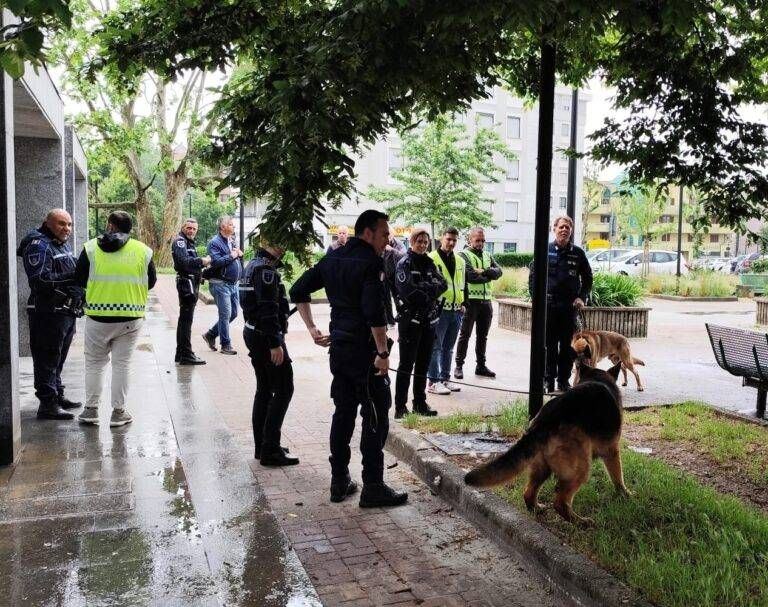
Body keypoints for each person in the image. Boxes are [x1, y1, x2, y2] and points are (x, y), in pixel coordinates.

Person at [290, 209, 408, 508]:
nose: (387, 240)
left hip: (340, 351)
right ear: (367, 232)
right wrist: (382, 353)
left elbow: (297, 289)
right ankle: (373, 486)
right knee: (375, 416)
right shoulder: (371, 263)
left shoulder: (333, 258)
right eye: (384, 234)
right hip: (365, 353)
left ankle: (339, 479)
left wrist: (312, 329)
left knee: (343, 414)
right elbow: (373, 312)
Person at [75, 211, 156, 427]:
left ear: (110, 225)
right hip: (130, 317)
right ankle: (118, 412)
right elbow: (152, 282)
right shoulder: (143, 251)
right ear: (130, 228)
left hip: (98, 316)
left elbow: (79, 278)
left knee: (94, 363)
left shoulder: (90, 248)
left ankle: (91, 410)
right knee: (122, 364)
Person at [17, 209, 83, 420]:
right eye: (61, 224)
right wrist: (74, 276)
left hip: (64, 312)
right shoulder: (39, 245)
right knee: (47, 358)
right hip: (47, 313)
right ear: (47, 223)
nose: (67, 229)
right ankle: (47, 404)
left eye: (69, 224)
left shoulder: (58, 243)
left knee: (58, 358)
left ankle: (57, 395)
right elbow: (40, 280)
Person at [240, 240, 299, 466]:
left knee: (264, 389)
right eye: (277, 240)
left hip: (254, 332)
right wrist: (275, 342)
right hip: (265, 336)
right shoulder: (264, 269)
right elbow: (267, 307)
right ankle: (270, 448)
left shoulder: (253, 264)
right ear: (265, 242)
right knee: (284, 388)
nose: (282, 245)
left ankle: (263, 445)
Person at [528, 215, 593, 393]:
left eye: (568, 228)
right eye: (561, 227)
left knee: (566, 346)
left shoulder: (578, 253)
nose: (564, 230)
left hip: (568, 308)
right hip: (549, 307)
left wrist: (582, 297)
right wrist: (537, 301)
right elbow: (533, 277)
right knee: (549, 345)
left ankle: (563, 381)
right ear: (554, 229)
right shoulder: (544, 250)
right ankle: (548, 380)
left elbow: (587, 278)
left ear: (571, 231)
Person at [393, 229, 446, 418]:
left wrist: (424, 288)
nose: (423, 245)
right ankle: (400, 407)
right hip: (411, 322)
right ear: (412, 242)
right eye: (419, 241)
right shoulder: (404, 263)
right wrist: (429, 289)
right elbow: (408, 291)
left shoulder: (430, 263)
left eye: (425, 242)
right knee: (406, 365)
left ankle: (420, 403)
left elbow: (443, 284)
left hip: (429, 321)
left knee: (423, 364)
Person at [455, 227, 503, 379]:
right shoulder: (463, 255)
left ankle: (481, 366)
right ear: (470, 240)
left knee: (483, 336)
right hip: (471, 302)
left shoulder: (488, 254)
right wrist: (489, 274)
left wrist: (483, 271)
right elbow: (470, 276)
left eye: (483, 240)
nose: (481, 243)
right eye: (477, 240)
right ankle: (458, 366)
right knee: (465, 335)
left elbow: (499, 272)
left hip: (486, 302)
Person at [427, 227, 466, 395]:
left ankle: (445, 379)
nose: (451, 243)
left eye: (454, 240)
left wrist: (464, 304)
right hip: (439, 310)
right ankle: (433, 381)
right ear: (441, 238)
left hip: (456, 310)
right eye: (448, 239)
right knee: (435, 346)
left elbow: (464, 285)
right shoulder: (431, 258)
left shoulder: (460, 261)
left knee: (449, 348)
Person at [202, 216, 243, 355]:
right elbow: (217, 262)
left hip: (233, 284)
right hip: (220, 284)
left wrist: (238, 254)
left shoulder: (231, 240)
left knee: (234, 313)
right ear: (223, 227)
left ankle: (210, 334)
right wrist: (232, 255)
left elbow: (235, 256)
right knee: (225, 315)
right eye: (231, 224)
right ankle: (226, 345)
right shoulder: (214, 243)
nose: (234, 226)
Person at [172, 218, 211, 365]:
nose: (192, 231)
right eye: (189, 228)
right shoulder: (180, 241)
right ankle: (186, 354)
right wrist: (202, 261)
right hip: (186, 284)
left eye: (194, 229)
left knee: (185, 320)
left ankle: (181, 353)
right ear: (183, 227)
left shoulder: (188, 242)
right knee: (186, 320)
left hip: (190, 283)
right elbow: (183, 262)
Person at [382, 234, 406, 327]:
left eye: (389, 236)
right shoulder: (382, 243)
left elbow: (404, 255)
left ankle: (402, 317)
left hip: (396, 275)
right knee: (386, 299)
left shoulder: (398, 244)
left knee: (398, 298)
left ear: (392, 235)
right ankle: (390, 321)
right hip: (385, 274)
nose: (387, 238)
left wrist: (392, 250)